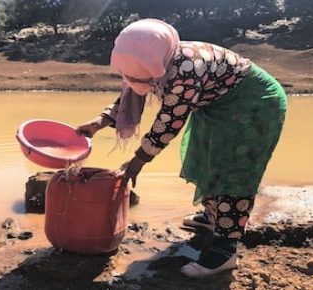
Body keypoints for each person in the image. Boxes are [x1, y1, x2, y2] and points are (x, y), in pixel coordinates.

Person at [76, 18, 287, 278]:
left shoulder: (186, 70)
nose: (131, 79)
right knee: (209, 161)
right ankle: (214, 219)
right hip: (216, 106)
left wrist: (138, 161)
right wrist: (100, 121)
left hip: (253, 105)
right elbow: (133, 87)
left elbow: (169, 121)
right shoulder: (158, 57)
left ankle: (225, 250)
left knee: (232, 172)